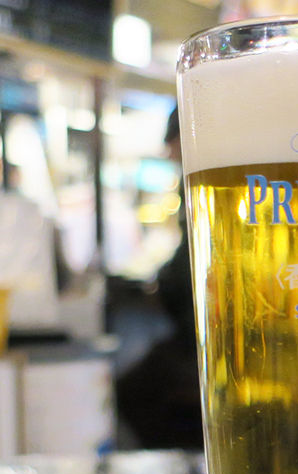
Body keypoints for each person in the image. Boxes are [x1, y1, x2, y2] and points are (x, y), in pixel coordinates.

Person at [115, 107, 203, 449]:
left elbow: (191, 261)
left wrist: (161, 287)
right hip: (193, 335)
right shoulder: (194, 182)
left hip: (198, 341)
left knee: (133, 391)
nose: (170, 153)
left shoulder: (200, 180)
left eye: (172, 143)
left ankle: (191, 463)